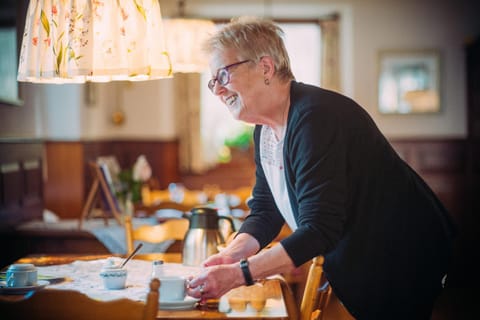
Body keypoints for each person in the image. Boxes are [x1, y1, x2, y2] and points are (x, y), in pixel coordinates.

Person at [186, 16, 456, 320]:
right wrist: (229, 256)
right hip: (367, 257)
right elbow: (266, 210)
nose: (218, 91)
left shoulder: (315, 117)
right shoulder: (265, 129)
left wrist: (238, 275)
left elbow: (319, 229)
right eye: (212, 83)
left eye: (223, 75)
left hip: (403, 254)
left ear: (265, 68)